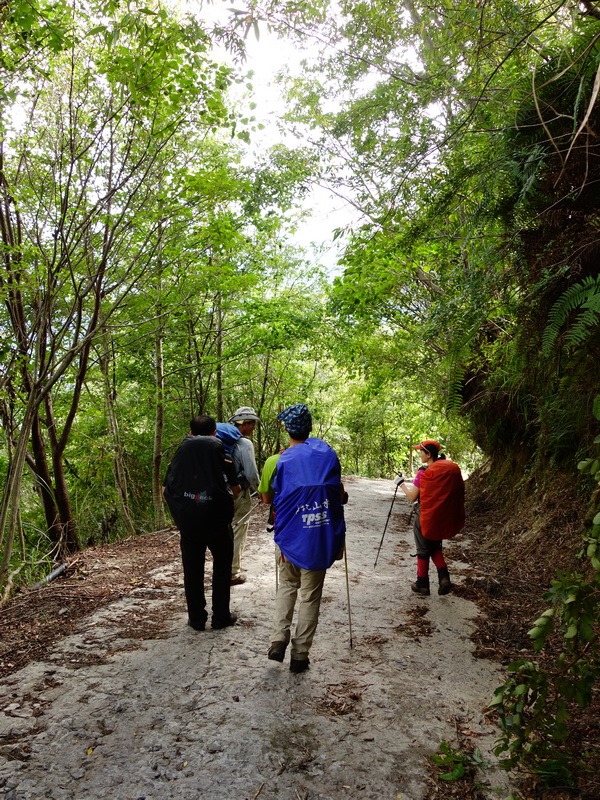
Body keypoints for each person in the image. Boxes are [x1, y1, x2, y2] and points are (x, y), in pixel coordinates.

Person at [263, 403, 346, 674]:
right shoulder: (326, 456)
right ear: (309, 427)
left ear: (288, 430)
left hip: (290, 538)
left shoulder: (279, 460)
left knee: (287, 586)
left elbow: (270, 499)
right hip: (319, 538)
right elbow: (339, 496)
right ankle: (299, 656)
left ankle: (278, 640)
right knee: (310, 596)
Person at [163, 415, 238, 631]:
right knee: (222, 568)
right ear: (215, 433)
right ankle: (220, 617)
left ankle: (196, 619)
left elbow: (165, 490)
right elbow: (235, 490)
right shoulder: (223, 456)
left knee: (192, 570)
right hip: (218, 523)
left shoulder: (178, 457)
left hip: (189, 525)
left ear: (190, 433)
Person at [397, 439, 465, 596]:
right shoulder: (445, 471)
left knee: (422, 548)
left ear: (428, 455)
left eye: (421, 452)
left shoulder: (423, 472)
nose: (419, 454)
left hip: (424, 515)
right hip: (439, 515)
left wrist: (401, 484)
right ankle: (444, 578)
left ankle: (422, 583)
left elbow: (413, 496)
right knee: (434, 546)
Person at [228, 406, 261, 585]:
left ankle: (223, 568)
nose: (253, 428)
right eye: (252, 424)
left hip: (219, 492)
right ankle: (233, 572)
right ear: (244, 424)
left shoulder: (219, 440)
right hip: (239, 491)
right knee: (239, 528)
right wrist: (260, 491)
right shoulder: (244, 444)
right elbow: (251, 473)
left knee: (224, 530)